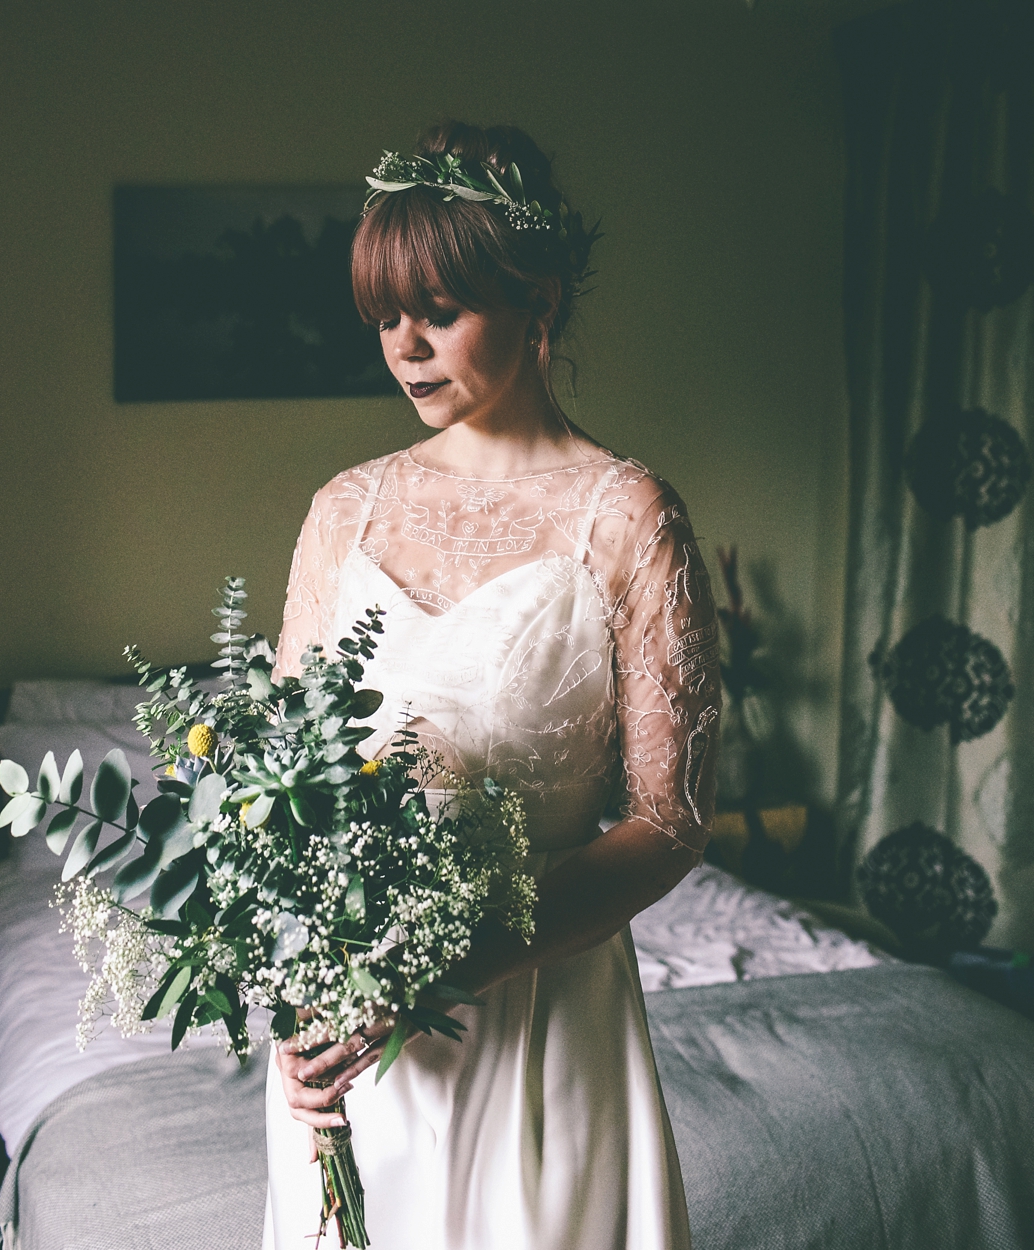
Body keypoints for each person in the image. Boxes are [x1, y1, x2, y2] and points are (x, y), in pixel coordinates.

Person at [263, 122, 721, 1250]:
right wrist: (292, 1003)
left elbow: (672, 819)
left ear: (538, 298)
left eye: (439, 310)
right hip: (354, 1038)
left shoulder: (628, 517)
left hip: (542, 1020)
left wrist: (466, 956)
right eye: (384, 316)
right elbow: (276, 790)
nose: (405, 346)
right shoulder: (345, 511)